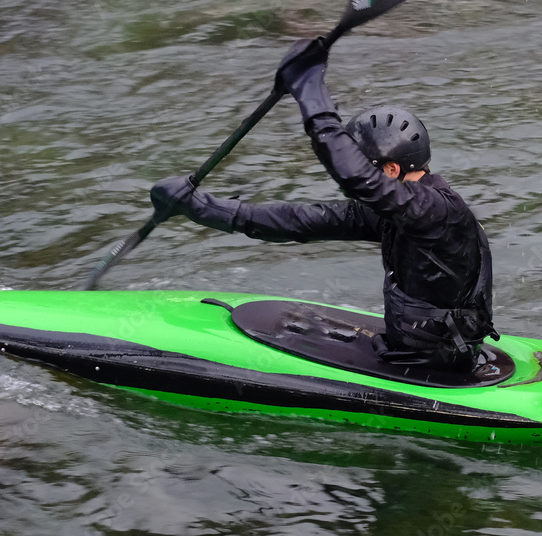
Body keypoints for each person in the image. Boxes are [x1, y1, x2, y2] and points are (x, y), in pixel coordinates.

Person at [150, 38, 497, 371]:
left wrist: (309, 90)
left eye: (367, 164)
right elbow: (305, 220)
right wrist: (203, 208)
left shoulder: (435, 213)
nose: (360, 178)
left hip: (437, 362)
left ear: (391, 169)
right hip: (423, 349)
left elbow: (353, 177)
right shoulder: (403, 212)